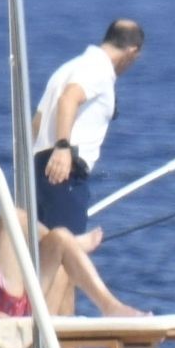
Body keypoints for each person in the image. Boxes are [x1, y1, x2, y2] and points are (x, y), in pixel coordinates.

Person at [0, 210, 145, 321]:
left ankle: (110, 306)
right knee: (9, 216)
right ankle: (73, 245)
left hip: (2, 293)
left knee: (60, 237)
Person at [29, 19, 144, 234]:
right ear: (132, 51)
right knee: (66, 246)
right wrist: (62, 147)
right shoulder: (98, 69)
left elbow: (37, 123)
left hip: (39, 172)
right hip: (64, 172)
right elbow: (69, 98)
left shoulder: (68, 68)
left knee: (44, 248)